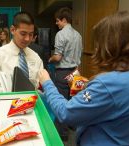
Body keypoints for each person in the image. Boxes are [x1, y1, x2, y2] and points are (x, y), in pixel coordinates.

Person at [38, 11, 129, 146]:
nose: (97, 48)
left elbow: (66, 112)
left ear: (112, 44)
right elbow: (115, 104)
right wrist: (89, 89)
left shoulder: (109, 83)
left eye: (99, 42)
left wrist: (47, 82)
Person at [0, 11, 43, 93]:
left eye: (31, 34)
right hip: (7, 104)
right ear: (13, 30)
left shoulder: (35, 57)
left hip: (32, 103)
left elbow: (39, 85)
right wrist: (13, 93)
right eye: (23, 34)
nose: (27, 39)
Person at [48, 7, 83, 141]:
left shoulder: (61, 34)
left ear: (64, 20)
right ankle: (73, 126)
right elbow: (78, 55)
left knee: (61, 102)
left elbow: (57, 57)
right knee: (74, 100)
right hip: (75, 71)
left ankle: (63, 134)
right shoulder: (78, 35)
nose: (57, 24)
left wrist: (49, 59)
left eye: (58, 21)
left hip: (62, 72)